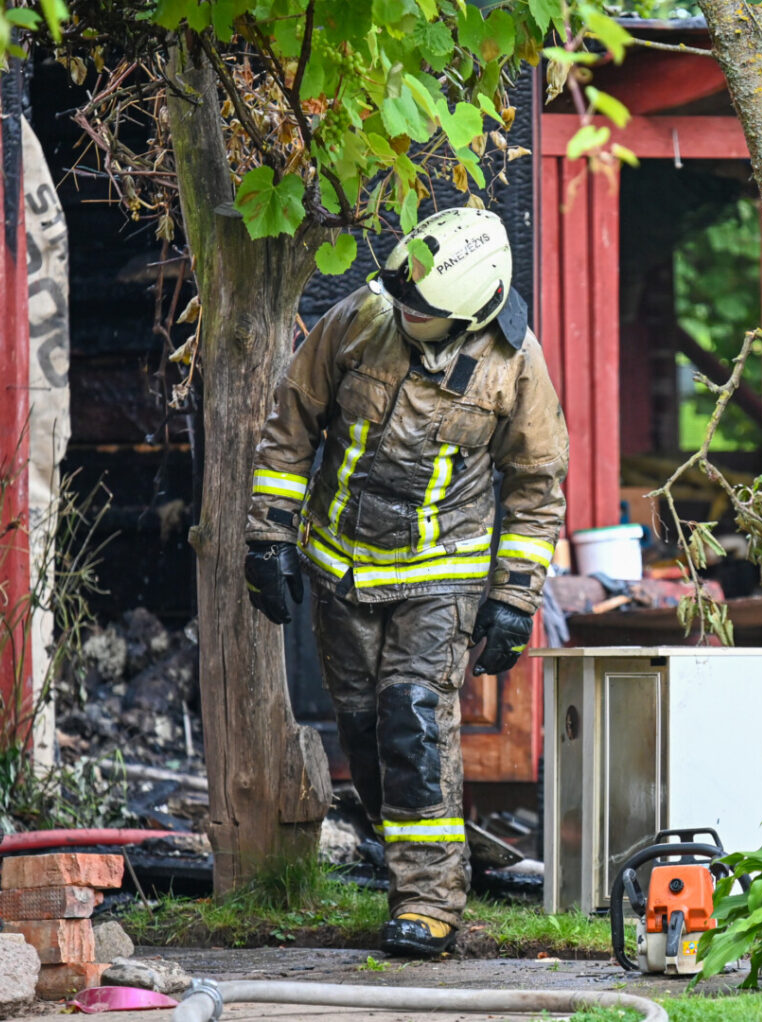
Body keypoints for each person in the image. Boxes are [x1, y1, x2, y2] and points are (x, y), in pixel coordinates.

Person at [242, 207, 568, 956]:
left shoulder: (513, 365)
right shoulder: (363, 315)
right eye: (404, 296)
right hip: (341, 568)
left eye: (423, 308)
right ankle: (424, 863)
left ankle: (428, 904)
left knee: (414, 722)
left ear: (471, 312)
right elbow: (292, 422)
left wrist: (514, 598)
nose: (407, 310)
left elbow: (537, 484)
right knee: (364, 731)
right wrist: (268, 538)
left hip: (440, 579)